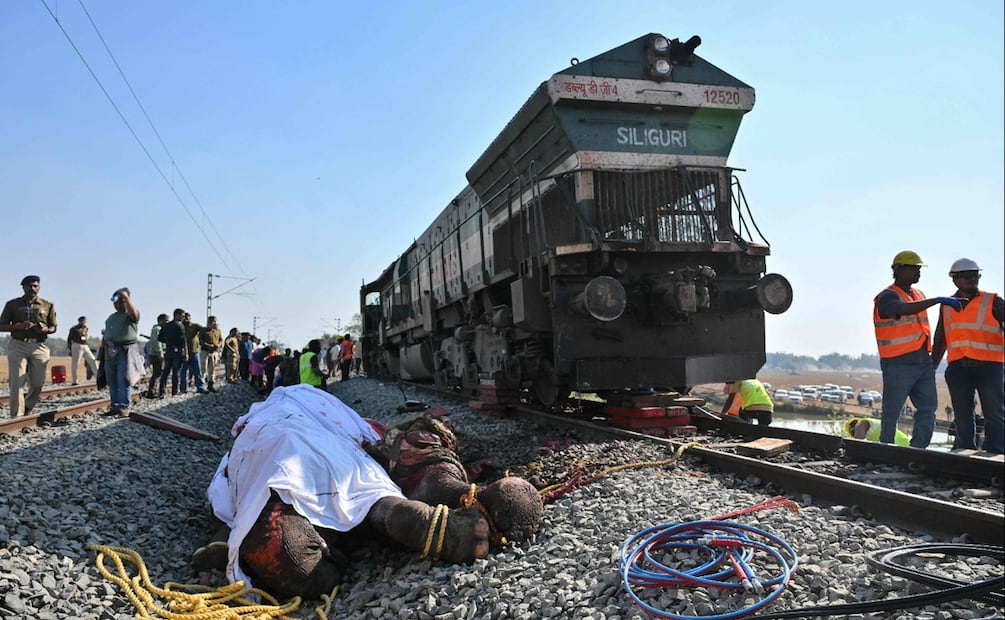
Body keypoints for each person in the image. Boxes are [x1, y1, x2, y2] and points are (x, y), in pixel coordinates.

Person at [202, 385, 541, 599]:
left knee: (286, 511)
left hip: (279, 434)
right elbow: (373, 439)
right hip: (325, 425)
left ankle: (373, 520)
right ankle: (427, 498)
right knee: (363, 470)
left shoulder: (263, 415)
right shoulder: (339, 414)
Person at [873, 250, 965, 448]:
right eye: (913, 268)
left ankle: (918, 449)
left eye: (918, 269)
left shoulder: (918, 294)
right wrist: (937, 300)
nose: (917, 272)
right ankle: (886, 448)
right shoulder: (887, 296)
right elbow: (899, 310)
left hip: (922, 362)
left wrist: (931, 360)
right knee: (893, 409)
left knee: (928, 408)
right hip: (898, 362)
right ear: (898, 269)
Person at [930, 258, 1004, 454]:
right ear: (955, 280)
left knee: (994, 412)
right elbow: (941, 336)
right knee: (962, 414)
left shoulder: (993, 301)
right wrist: (932, 366)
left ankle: (995, 451)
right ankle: (964, 451)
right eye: (967, 276)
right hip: (958, 367)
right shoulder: (946, 305)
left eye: (975, 275)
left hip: (989, 366)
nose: (972, 279)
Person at [0, 275, 57, 417]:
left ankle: (28, 406)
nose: (32, 288)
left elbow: (54, 326)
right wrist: (18, 326)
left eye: (35, 286)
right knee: (17, 382)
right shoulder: (12, 304)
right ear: (23, 287)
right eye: (29, 286)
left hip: (39, 346)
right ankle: (17, 417)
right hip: (18, 345)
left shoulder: (47, 305)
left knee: (38, 382)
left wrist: (47, 330)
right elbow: (1, 326)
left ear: (39, 287)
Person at [103, 288, 141, 416]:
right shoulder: (111, 318)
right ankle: (114, 405)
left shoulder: (130, 315)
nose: (117, 304)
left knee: (123, 379)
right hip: (111, 351)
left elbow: (134, 314)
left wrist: (126, 296)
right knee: (112, 380)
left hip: (126, 351)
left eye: (121, 301)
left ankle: (124, 406)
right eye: (115, 301)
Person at [158, 308, 189, 397]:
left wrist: (168, 341)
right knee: (176, 372)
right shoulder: (180, 325)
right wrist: (186, 353)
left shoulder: (166, 326)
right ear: (177, 315)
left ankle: (162, 391)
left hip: (168, 349)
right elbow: (184, 341)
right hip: (177, 350)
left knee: (166, 372)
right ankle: (174, 391)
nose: (183, 318)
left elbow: (160, 338)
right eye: (182, 316)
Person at [180, 312, 209, 394]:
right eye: (184, 317)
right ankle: (183, 388)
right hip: (183, 352)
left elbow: (205, 330)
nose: (186, 318)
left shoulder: (194, 326)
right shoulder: (180, 326)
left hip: (194, 351)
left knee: (197, 370)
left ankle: (200, 387)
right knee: (183, 371)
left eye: (188, 317)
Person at [67, 315, 99, 385]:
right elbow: (69, 339)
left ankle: (98, 378)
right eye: (83, 321)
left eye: (85, 321)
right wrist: (70, 349)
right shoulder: (74, 329)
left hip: (85, 345)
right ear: (79, 321)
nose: (84, 322)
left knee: (93, 360)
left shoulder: (86, 328)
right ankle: (75, 380)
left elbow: (85, 338)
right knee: (75, 364)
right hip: (77, 345)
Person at [145, 313, 168, 399]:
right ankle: (151, 392)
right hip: (157, 354)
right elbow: (157, 342)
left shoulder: (158, 329)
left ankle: (153, 391)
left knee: (157, 373)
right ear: (161, 321)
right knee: (157, 373)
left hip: (157, 353)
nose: (167, 323)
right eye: (166, 321)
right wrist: (161, 353)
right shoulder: (157, 329)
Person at [844, 417, 910, 446]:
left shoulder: (862, 423)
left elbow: (856, 444)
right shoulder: (873, 425)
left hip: (901, 446)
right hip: (905, 444)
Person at [200, 316, 223, 392]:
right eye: (213, 321)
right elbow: (200, 340)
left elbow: (221, 340)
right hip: (205, 351)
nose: (214, 322)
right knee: (203, 369)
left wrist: (218, 345)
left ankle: (211, 385)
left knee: (212, 369)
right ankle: (202, 385)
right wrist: (208, 345)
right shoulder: (203, 330)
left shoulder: (218, 331)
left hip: (214, 352)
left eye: (215, 321)